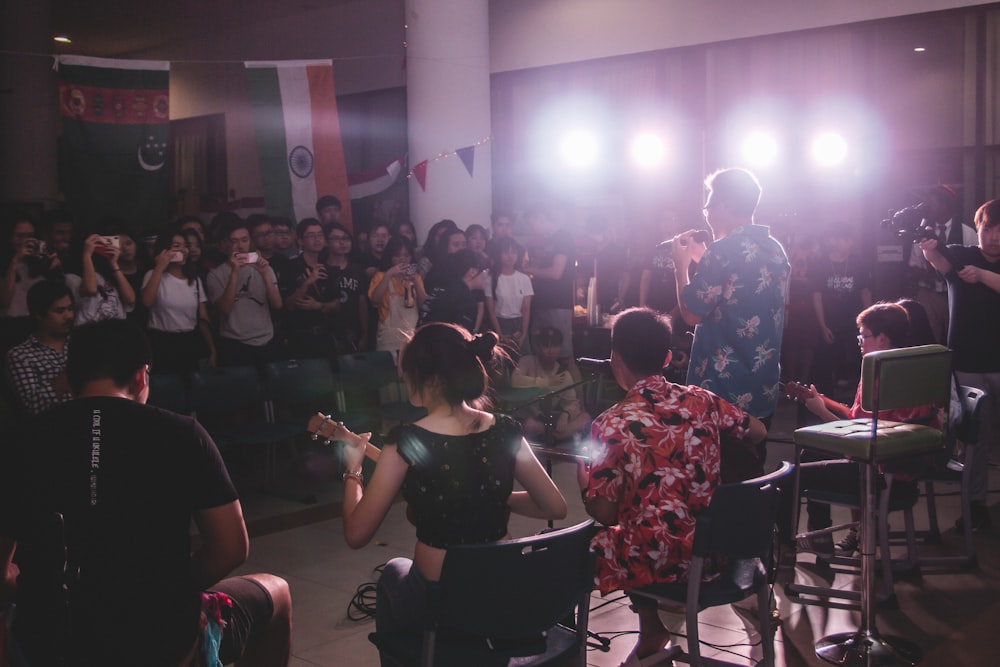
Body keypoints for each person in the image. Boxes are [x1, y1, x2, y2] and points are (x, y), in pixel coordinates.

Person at [0, 319, 292, 666]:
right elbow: (231, 548)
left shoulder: (22, 441)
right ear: (141, 375)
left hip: (51, 644)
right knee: (277, 590)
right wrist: (171, 595)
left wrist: (54, 593)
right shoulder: (184, 434)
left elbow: (4, 573)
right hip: (160, 641)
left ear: (72, 375)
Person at [307, 323, 567, 666]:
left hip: (443, 605)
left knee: (391, 574)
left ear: (432, 380)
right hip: (502, 593)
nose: (403, 380)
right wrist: (492, 496)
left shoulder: (406, 441)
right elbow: (555, 506)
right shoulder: (505, 428)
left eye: (408, 373)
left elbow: (356, 534)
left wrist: (353, 470)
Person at [577, 307, 765, 666]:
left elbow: (603, 512)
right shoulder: (702, 400)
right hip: (720, 551)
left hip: (664, 560)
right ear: (667, 357)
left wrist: (585, 480)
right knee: (637, 526)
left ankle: (649, 624)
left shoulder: (612, 423)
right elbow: (758, 431)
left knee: (596, 540)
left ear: (614, 358)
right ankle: (651, 631)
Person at [785, 302, 940, 554]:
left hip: (876, 476)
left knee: (792, 475)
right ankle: (829, 537)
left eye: (863, 336)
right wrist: (824, 400)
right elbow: (865, 420)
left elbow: (859, 435)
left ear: (882, 339)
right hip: (909, 470)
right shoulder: (913, 367)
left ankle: (786, 549)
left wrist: (820, 410)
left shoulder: (876, 372)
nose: (859, 341)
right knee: (812, 455)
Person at [672, 168, 790, 460]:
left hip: (722, 391)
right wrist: (705, 260)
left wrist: (681, 267)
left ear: (721, 206)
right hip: (761, 384)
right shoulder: (776, 251)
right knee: (751, 470)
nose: (707, 214)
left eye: (709, 206)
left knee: (716, 476)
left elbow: (691, 315)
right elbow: (738, 291)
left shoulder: (722, 252)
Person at [919, 198, 1000, 532]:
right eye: (989, 228)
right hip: (967, 360)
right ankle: (975, 505)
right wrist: (928, 246)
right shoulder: (961, 254)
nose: (995, 236)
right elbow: (937, 257)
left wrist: (981, 275)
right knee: (974, 438)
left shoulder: (976, 267)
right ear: (977, 228)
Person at [206, 220, 283, 366]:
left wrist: (265, 274)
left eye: (244, 240)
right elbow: (225, 309)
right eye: (234, 241)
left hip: (266, 340)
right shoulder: (215, 275)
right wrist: (234, 272)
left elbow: (277, 304)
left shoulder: (265, 267)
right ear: (224, 244)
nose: (240, 246)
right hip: (235, 344)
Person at [907, 184, 977, 344]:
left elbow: (976, 264)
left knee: (959, 337)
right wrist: (928, 275)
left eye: (931, 204)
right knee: (929, 340)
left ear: (944, 205)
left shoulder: (967, 233)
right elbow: (912, 267)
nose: (926, 207)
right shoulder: (922, 232)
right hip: (928, 296)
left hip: (958, 294)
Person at [810, 222, 873, 398]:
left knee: (858, 358)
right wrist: (822, 326)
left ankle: (860, 398)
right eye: (843, 239)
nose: (847, 243)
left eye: (848, 239)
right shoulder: (821, 264)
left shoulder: (857, 262)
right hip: (830, 319)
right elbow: (817, 296)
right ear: (833, 241)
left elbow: (866, 292)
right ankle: (825, 400)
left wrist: (871, 322)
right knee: (825, 361)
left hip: (854, 320)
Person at [142, 231, 216, 374]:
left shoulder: (195, 280)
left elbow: (203, 318)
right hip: (161, 341)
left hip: (189, 342)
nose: (183, 250)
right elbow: (146, 302)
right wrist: (159, 267)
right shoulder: (152, 275)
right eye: (176, 246)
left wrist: (212, 348)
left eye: (185, 246)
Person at [4, 280, 74, 417]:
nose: (69, 316)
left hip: (93, 416)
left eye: (70, 309)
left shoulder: (80, 341)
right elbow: (34, 407)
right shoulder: (21, 355)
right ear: (38, 315)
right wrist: (73, 368)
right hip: (54, 425)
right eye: (60, 311)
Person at [511, 327, 591, 441]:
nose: (551, 351)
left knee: (585, 418)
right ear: (539, 347)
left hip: (550, 420)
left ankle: (553, 436)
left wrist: (566, 414)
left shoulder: (563, 374)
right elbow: (515, 380)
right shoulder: (527, 361)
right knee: (530, 425)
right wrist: (546, 381)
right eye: (546, 346)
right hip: (527, 417)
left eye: (555, 346)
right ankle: (546, 437)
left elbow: (573, 402)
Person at [523, 205, 575, 362]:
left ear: (541, 218)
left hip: (557, 304)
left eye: (532, 224)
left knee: (564, 356)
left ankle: (573, 387)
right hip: (543, 303)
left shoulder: (563, 237)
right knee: (543, 356)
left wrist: (529, 270)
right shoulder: (550, 240)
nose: (533, 229)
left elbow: (556, 272)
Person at [368, 235, 427, 352]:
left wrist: (416, 282)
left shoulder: (417, 278)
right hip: (388, 337)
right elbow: (374, 301)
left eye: (406, 256)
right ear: (390, 257)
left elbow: (424, 304)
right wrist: (388, 275)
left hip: (411, 335)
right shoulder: (381, 276)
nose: (402, 260)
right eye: (397, 256)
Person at [64, 232, 136, 324]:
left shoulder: (112, 275)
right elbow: (90, 290)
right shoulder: (73, 278)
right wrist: (87, 254)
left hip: (116, 331)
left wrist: (114, 264)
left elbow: (130, 299)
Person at [321, 222, 370, 353]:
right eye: (336, 239)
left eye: (346, 239)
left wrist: (365, 334)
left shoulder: (357, 270)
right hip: (328, 334)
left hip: (354, 331)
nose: (343, 243)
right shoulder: (320, 270)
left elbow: (362, 303)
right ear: (326, 242)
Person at [420, 249, 486, 331]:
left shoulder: (440, 287)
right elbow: (462, 334)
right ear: (472, 272)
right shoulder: (466, 298)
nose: (487, 277)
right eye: (484, 272)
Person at [486, 236, 533, 350]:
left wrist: (524, 332)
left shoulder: (524, 278)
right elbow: (491, 310)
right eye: (506, 252)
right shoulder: (491, 278)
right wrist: (499, 333)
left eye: (514, 252)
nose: (510, 256)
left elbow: (526, 309)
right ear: (499, 254)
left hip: (519, 323)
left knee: (524, 361)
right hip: (500, 322)